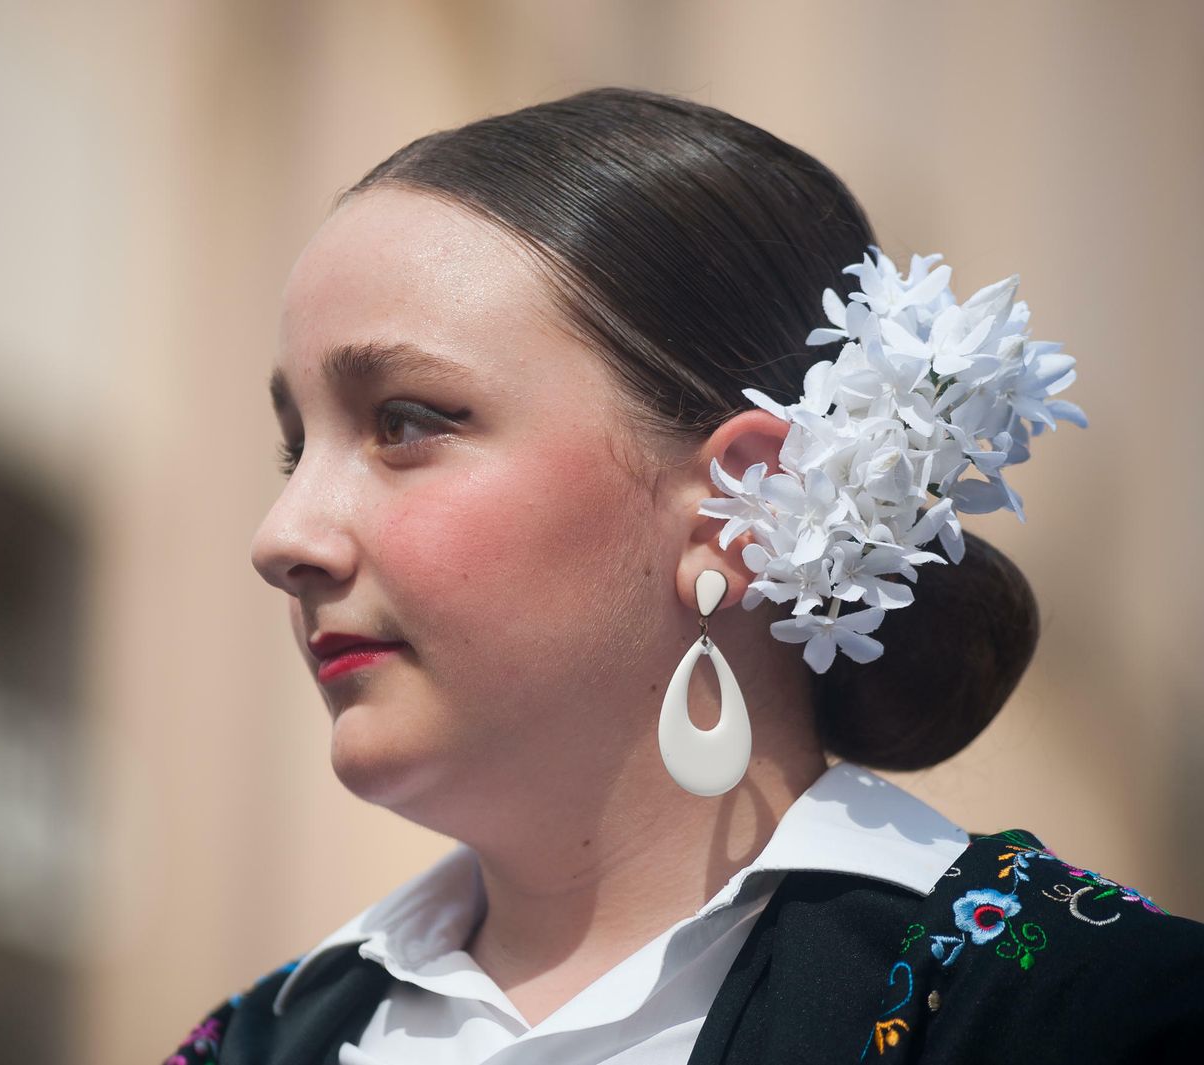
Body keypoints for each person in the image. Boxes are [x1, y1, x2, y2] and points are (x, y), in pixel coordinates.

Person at [166, 88, 1204, 1064]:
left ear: (734, 508)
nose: (282, 536)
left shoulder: (1099, 1015)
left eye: (404, 423)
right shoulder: (260, 1042)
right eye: (295, 449)